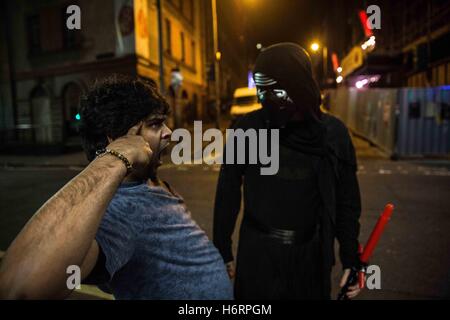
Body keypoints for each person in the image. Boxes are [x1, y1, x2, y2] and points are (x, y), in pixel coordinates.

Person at [0, 75, 233, 300]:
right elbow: (18, 290)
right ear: (117, 141)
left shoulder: (149, 180)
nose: (169, 132)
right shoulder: (120, 211)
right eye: (155, 123)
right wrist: (115, 158)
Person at [213, 43, 363, 300]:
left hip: (311, 259)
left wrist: (351, 259)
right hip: (258, 257)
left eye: (273, 89)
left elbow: (346, 201)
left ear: (298, 86)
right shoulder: (248, 129)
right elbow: (227, 192)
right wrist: (222, 251)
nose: (264, 99)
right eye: (261, 90)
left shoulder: (332, 134)